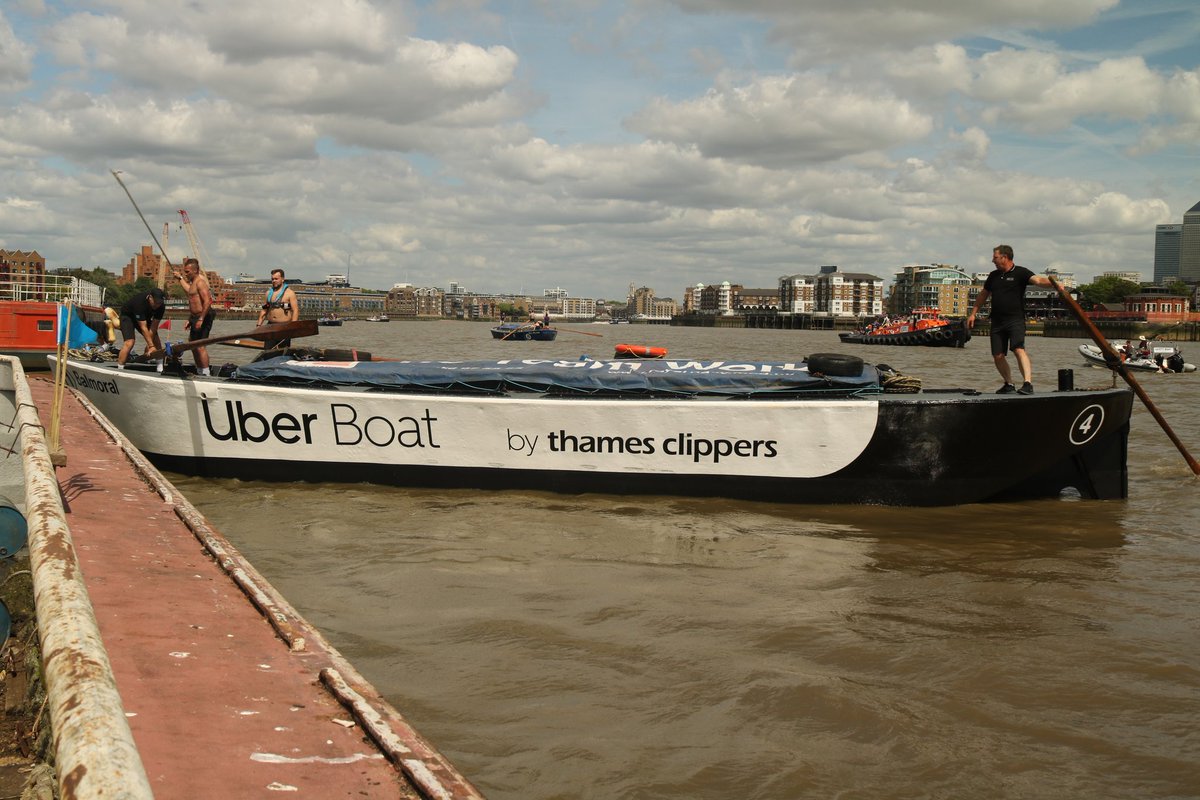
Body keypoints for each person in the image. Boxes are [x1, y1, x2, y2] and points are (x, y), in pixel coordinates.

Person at [966, 244, 1053, 395]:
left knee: (1018, 349)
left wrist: (1054, 284)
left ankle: (1027, 383)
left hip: (1015, 320)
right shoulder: (993, 276)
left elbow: (1038, 281)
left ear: (1005, 257)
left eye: (995, 257)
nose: (992, 260)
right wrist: (973, 313)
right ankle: (1009, 383)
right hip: (997, 322)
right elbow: (983, 295)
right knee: (998, 355)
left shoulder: (1021, 272)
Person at [174, 257, 215, 375]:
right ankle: (199, 369)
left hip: (204, 316)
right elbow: (191, 296)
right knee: (193, 344)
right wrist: (190, 319)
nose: (185, 274)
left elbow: (207, 301)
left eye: (187, 272)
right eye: (184, 271)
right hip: (195, 317)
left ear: (195, 270)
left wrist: (201, 319)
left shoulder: (200, 282)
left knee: (200, 345)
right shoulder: (192, 283)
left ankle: (206, 372)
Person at [117, 287, 166, 368]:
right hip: (128, 316)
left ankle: (160, 367)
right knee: (130, 342)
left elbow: (154, 327)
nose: (157, 305)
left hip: (144, 317)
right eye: (155, 302)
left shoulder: (161, 307)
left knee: (156, 340)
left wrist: (150, 345)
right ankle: (120, 368)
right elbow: (143, 327)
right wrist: (151, 346)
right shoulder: (139, 303)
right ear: (150, 297)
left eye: (160, 303)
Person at [256, 268, 299, 350]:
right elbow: (264, 310)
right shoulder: (268, 293)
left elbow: (295, 310)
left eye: (276, 279)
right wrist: (259, 325)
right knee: (267, 352)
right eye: (272, 279)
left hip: (284, 328)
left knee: (282, 353)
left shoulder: (290, 293)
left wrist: (293, 327)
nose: (274, 281)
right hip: (270, 326)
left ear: (282, 279)